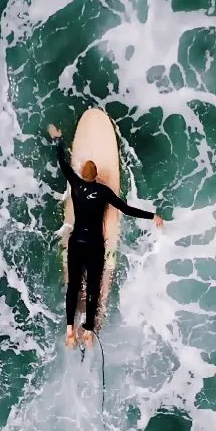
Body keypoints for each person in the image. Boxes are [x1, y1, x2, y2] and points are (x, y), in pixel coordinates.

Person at [48, 124, 164, 348]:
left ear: (82, 174)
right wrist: (152, 216)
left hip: (76, 242)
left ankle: (70, 330)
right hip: (94, 245)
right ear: (97, 176)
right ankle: (89, 330)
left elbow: (63, 163)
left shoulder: (75, 184)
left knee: (74, 286)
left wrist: (58, 140)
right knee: (92, 287)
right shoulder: (103, 192)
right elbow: (127, 209)